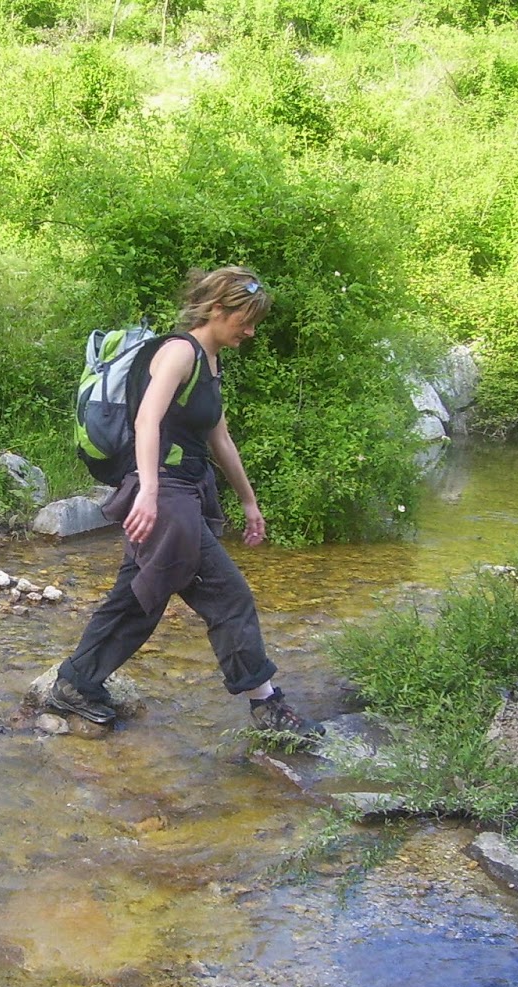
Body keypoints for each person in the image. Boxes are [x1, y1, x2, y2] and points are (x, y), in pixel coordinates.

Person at [47, 266, 323, 742]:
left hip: (184, 493)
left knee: (141, 597)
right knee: (222, 595)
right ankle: (266, 706)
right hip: (165, 494)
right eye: (246, 319)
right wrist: (150, 493)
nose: (252, 331)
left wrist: (250, 503)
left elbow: (221, 438)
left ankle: (76, 683)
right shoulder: (179, 351)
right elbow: (148, 420)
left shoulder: (211, 362)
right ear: (218, 310)